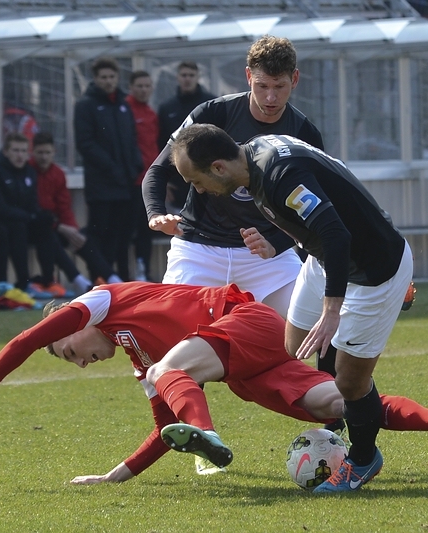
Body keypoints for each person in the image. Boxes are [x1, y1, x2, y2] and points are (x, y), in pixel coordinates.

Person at [0, 281, 428, 485]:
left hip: (244, 322)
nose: (79, 362)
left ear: (72, 325)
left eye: (69, 353)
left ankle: (211, 437)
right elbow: (164, 430)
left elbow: (29, 337)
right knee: (338, 403)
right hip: (250, 367)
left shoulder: (102, 301)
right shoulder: (142, 359)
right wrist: (114, 476)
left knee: (168, 373)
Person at [171, 125, 415, 493]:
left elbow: (336, 234)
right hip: (326, 260)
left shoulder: (280, 175)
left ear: (218, 167)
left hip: (372, 271)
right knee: (294, 344)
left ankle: (364, 458)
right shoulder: (254, 158)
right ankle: (345, 405)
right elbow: (322, 198)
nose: (199, 190)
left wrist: (332, 311)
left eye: (196, 181)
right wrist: (280, 243)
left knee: (349, 381)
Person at [144, 36, 336, 474]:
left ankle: (335, 426)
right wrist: (156, 214)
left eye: (280, 87)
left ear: (295, 81)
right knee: (167, 350)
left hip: (268, 258)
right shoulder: (213, 115)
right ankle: (201, 439)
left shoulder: (304, 133)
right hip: (199, 249)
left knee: (319, 330)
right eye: (262, 86)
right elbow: (157, 170)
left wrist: (278, 244)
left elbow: (317, 212)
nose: (270, 98)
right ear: (248, 77)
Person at [74, 57, 143, 281]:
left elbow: (131, 139)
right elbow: (86, 144)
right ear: (95, 79)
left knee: (119, 234)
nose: (108, 81)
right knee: (99, 233)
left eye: (112, 76)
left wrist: (135, 165)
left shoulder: (123, 105)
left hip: (124, 184)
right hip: (101, 185)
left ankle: (117, 280)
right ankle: (99, 278)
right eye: (103, 77)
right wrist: (112, 168)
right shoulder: (86, 105)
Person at [30, 132, 123, 293]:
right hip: (36, 226)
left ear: (54, 152)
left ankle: (111, 279)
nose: (44, 157)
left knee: (83, 238)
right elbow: (33, 208)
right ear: (33, 152)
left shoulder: (58, 174)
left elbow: (64, 206)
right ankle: (79, 281)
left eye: (47, 152)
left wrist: (72, 230)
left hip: (54, 224)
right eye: (40, 153)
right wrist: (60, 227)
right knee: (51, 237)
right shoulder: (29, 172)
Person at [0, 132, 59, 291]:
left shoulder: (29, 172)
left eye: (23, 151)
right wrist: (29, 216)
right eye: (15, 150)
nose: (20, 155)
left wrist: (39, 216)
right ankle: (4, 283)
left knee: (46, 228)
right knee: (9, 230)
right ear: (6, 152)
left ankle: (47, 281)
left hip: (22, 221)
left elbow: (32, 203)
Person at [156, 60, 217, 212]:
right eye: (184, 75)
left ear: (198, 77)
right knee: (181, 217)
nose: (187, 79)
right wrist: (165, 179)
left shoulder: (211, 104)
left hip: (208, 172)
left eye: (191, 75)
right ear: (177, 77)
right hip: (178, 176)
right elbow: (162, 143)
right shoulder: (167, 108)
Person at [125, 70, 162, 282]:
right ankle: (122, 274)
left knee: (146, 228)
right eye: (139, 86)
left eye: (147, 86)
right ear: (131, 87)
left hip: (148, 180)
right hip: (132, 181)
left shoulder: (151, 113)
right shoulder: (125, 110)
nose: (143, 90)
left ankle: (143, 270)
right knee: (126, 230)